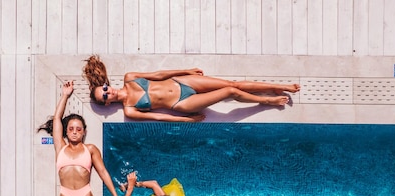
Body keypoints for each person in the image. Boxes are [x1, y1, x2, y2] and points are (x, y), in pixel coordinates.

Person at [83, 54, 301, 122]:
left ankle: (278, 87)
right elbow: (160, 117)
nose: (106, 92)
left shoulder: (129, 77)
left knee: (231, 83)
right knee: (230, 93)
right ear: (107, 102)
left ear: (106, 85)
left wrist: (184, 70)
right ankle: (267, 101)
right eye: (104, 97)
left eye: (103, 89)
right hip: (181, 103)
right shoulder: (129, 110)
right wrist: (186, 120)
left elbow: (158, 75)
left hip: (181, 83)